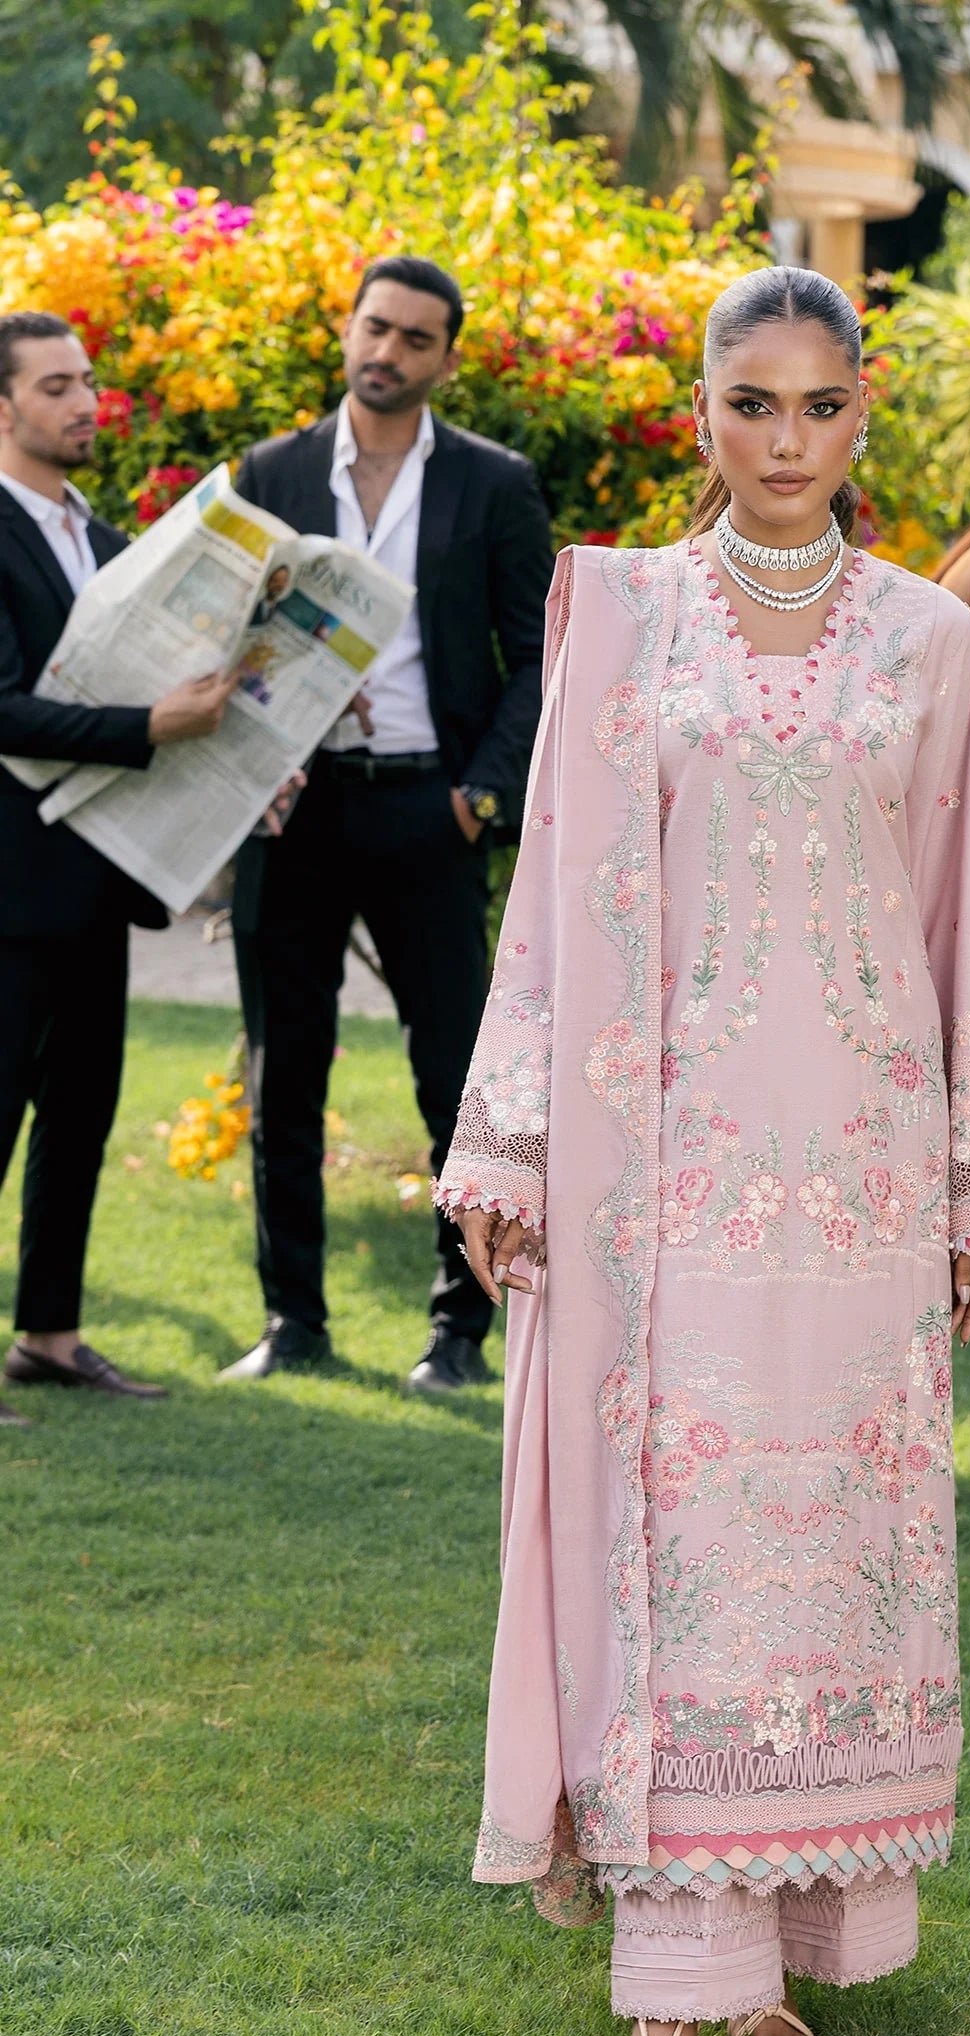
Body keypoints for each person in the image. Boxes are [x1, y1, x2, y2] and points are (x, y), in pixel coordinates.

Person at [437, 265, 970, 2036]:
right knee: (680, 1573)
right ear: (697, 411)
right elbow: (546, 884)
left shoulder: (930, 637)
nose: (785, 443)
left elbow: (962, 927)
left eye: (820, 407)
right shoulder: (620, 619)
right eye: (748, 404)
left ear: (864, 415)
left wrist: (968, 1178)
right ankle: (665, 2015)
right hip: (671, 1181)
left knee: (825, 1574)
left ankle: (782, 1946)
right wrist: (516, 1143)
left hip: (858, 1179)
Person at [221, 256, 555, 1392]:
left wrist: (478, 799)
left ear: (445, 358)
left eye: (417, 339)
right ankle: (292, 1323)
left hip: (431, 810)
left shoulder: (493, 484)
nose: (390, 353)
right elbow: (230, 644)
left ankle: (458, 1333)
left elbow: (536, 663)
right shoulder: (268, 474)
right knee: (284, 1078)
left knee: (458, 1080)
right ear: (347, 331)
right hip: (296, 813)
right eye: (377, 329)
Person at [0, 311, 236, 1421]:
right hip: (5, 882)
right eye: (56, 387)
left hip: (99, 875)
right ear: (4, 408)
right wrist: (151, 723)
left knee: (81, 1111)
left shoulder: (102, 540)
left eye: (88, 381)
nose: (85, 402)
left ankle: (50, 1335)